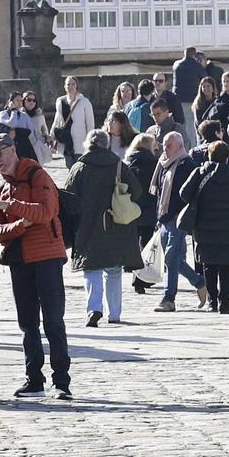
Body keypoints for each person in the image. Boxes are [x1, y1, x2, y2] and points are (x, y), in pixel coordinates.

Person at [0, 132, 73, 399]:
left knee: (53, 320)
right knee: (28, 323)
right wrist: (21, 224)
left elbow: (45, 213)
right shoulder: (2, 188)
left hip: (46, 257)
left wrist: (12, 206)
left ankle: (61, 382)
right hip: (19, 260)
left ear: (12, 149)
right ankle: (34, 379)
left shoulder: (38, 176)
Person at [65, 130, 144, 327]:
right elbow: (137, 191)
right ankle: (114, 313)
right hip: (115, 224)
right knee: (114, 270)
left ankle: (94, 309)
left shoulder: (79, 167)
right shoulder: (119, 166)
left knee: (91, 269)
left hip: (87, 225)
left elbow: (68, 198)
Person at [180, 141, 229, 314]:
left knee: (209, 265)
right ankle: (225, 304)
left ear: (208, 155)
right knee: (227, 265)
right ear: (227, 158)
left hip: (203, 226)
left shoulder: (199, 173)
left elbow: (183, 193)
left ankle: (212, 301)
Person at [150, 132, 207, 312]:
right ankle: (200, 282)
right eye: (164, 145)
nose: (165, 150)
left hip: (177, 219)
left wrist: (176, 214)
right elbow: (159, 192)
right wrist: (159, 217)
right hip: (165, 218)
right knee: (173, 260)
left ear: (180, 146)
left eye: (169, 146)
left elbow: (188, 194)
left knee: (171, 258)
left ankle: (169, 298)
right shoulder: (163, 164)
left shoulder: (186, 164)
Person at [126, 133, 161, 296]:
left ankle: (139, 278)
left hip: (131, 207)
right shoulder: (155, 163)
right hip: (149, 207)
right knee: (145, 244)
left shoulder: (127, 162)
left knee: (134, 243)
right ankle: (140, 279)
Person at [52, 75, 95, 169]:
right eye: (68, 84)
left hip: (80, 142)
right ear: (64, 86)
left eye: (73, 84)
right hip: (66, 140)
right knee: (69, 167)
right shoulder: (60, 101)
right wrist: (52, 136)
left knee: (81, 168)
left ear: (76, 86)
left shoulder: (84, 102)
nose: (70, 86)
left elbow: (90, 123)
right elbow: (57, 120)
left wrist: (90, 141)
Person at [174, 46, 206, 147]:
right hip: (192, 100)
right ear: (194, 54)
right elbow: (205, 77)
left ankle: (182, 147)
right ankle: (191, 148)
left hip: (179, 99)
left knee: (182, 125)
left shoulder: (176, 64)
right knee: (191, 126)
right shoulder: (196, 65)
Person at [0, 91, 37, 161]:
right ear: (11, 101)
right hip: (8, 146)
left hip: (23, 146)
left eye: (21, 101)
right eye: (17, 100)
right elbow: (12, 124)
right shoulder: (3, 114)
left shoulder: (24, 116)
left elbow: (31, 131)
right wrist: (13, 110)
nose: (19, 103)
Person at [22, 91, 53, 166]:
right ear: (24, 101)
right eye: (29, 100)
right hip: (23, 147)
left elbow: (44, 130)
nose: (32, 102)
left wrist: (46, 137)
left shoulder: (40, 116)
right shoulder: (19, 115)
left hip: (37, 146)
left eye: (34, 100)